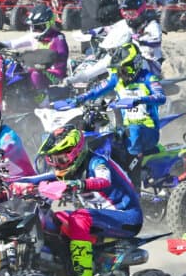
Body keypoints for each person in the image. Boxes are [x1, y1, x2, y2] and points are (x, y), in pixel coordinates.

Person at [12, 126, 142, 276]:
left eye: (61, 158)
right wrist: (5, 184)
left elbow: (104, 180)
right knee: (55, 219)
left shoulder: (97, 161)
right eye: (53, 159)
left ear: (76, 152)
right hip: (100, 216)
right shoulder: (67, 168)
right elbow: (33, 179)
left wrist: (79, 184)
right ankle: (62, 271)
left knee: (78, 218)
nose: (57, 164)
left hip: (127, 216)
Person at [70, 42, 166, 182]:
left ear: (135, 65)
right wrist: (79, 99)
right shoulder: (116, 79)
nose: (120, 74)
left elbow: (161, 97)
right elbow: (97, 90)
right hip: (124, 129)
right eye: (118, 70)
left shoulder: (149, 78)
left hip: (147, 129)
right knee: (105, 139)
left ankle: (135, 186)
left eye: (123, 70)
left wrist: (139, 100)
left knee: (134, 131)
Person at [10, 4, 69, 91]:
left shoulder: (58, 38)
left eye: (38, 27)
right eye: (33, 27)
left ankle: (41, 97)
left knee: (35, 73)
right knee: (17, 72)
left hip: (55, 76)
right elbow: (13, 43)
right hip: (38, 69)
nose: (36, 30)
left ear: (49, 24)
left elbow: (62, 55)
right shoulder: (33, 36)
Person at [118, 0, 164, 71]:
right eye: (125, 14)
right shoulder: (128, 25)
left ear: (141, 12)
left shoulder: (152, 25)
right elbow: (113, 28)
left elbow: (157, 40)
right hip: (134, 59)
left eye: (132, 14)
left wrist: (141, 40)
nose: (128, 17)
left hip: (152, 62)